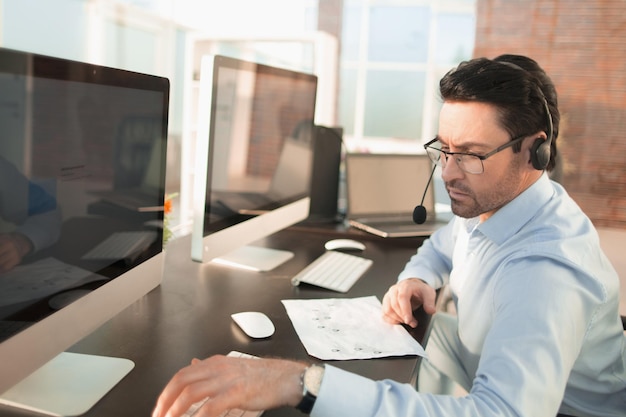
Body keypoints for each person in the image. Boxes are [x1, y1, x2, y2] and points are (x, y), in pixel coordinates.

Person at [152, 55, 626, 417]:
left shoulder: (548, 272)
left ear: (535, 152)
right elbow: (443, 244)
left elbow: (499, 412)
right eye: (444, 148)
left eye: (471, 154)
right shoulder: (493, 200)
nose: (448, 173)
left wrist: (302, 383)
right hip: (471, 366)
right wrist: (419, 278)